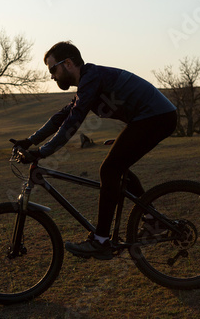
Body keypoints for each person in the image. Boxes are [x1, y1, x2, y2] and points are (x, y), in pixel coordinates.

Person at [13, 41, 177, 260]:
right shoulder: (89, 81)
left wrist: (42, 152)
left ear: (68, 63)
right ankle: (152, 220)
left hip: (156, 118)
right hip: (149, 118)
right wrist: (29, 141)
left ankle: (100, 241)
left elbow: (72, 123)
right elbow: (61, 117)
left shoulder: (92, 78)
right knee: (116, 168)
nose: (51, 76)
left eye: (53, 69)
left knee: (109, 169)